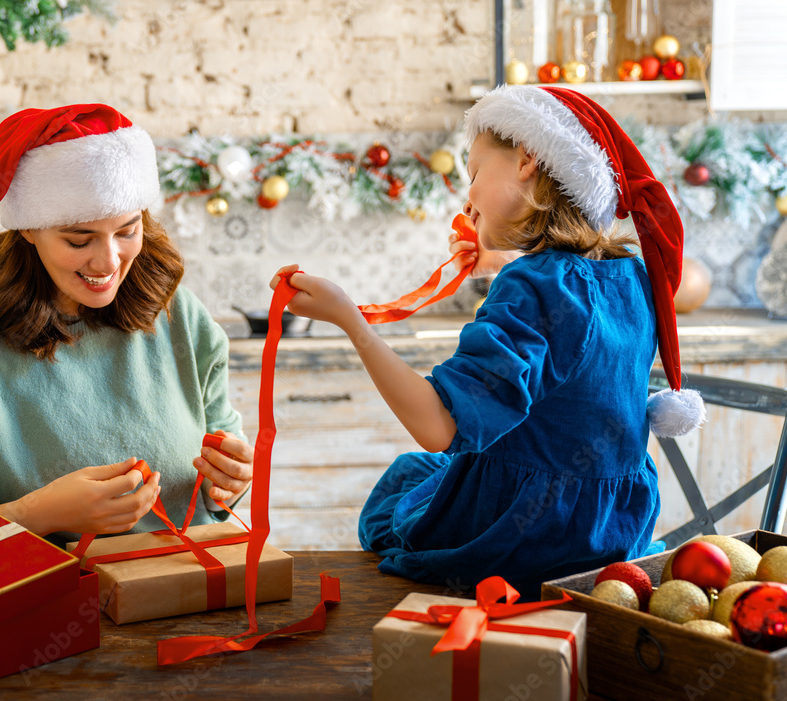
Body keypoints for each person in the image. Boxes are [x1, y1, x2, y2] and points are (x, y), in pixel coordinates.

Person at [271, 86, 704, 598]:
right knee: (425, 476)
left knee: (397, 493)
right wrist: (500, 269)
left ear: (526, 159)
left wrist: (351, 322)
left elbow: (439, 426)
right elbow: (570, 344)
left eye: (474, 173)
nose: (468, 196)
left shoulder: (536, 287)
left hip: (527, 539)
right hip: (609, 533)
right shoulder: (630, 276)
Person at [0, 104, 254, 548]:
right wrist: (36, 516)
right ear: (28, 228)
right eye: (79, 240)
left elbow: (221, 475)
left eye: (126, 230)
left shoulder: (182, 318)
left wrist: (232, 479)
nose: (109, 261)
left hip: (186, 589)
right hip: (48, 603)